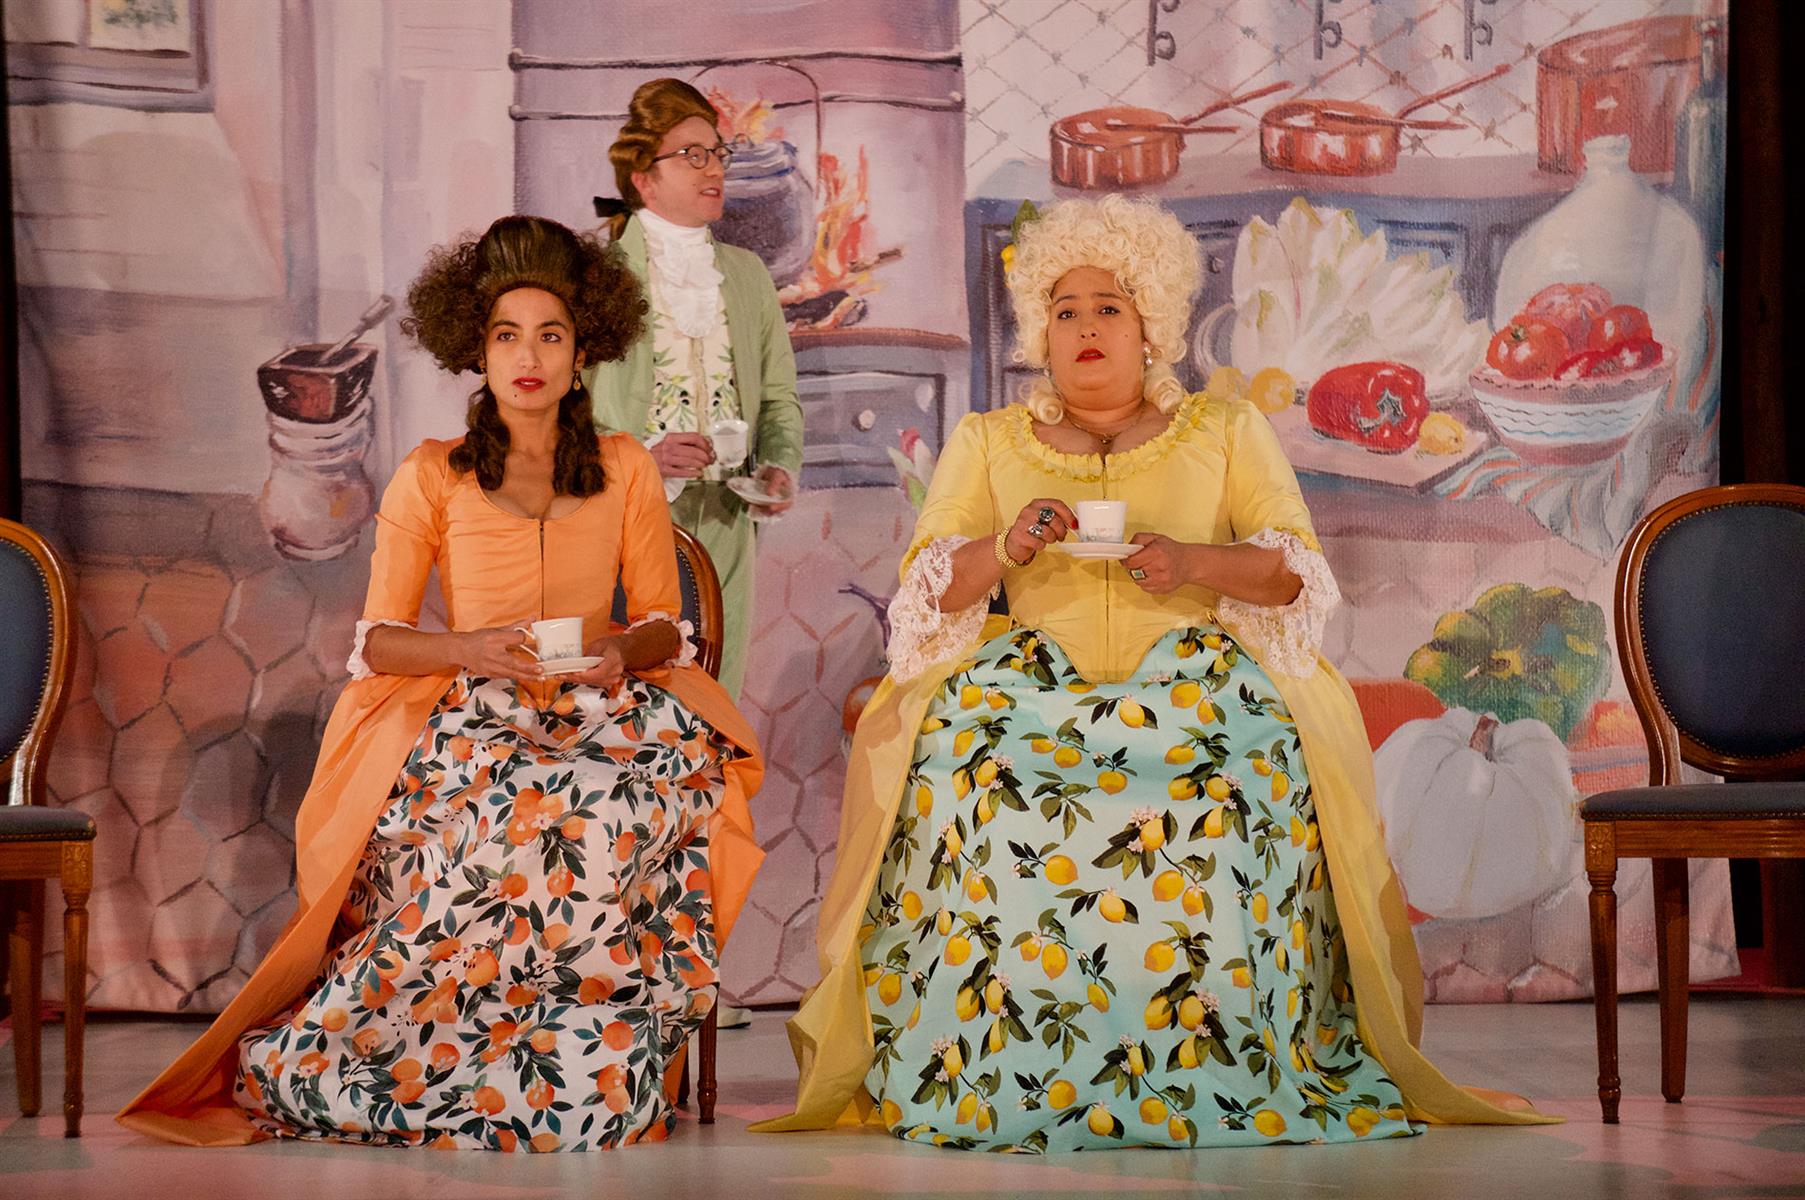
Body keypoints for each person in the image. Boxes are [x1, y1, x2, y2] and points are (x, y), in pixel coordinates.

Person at [753, 196, 1554, 1150]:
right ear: (1038, 333)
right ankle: (1001, 1063)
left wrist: (1192, 563)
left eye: (1109, 308)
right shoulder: (987, 440)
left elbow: (1291, 570)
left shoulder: (1225, 427)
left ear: (1152, 327)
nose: (1085, 328)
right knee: (968, 766)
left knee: (1240, 767)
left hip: (1192, 677)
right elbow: (930, 587)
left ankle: (1216, 1059)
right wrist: (1006, 547)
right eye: (1064, 310)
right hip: (1028, 683)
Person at [118, 215, 764, 1152]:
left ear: (583, 350)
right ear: (478, 350)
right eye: (507, 336)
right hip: (473, 709)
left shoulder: (625, 466)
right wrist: (470, 648)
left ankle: (580, 1066)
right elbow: (380, 641)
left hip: (603, 707)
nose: (528, 357)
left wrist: (624, 649)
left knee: (608, 807)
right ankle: (445, 1068)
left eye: (550, 335)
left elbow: (668, 623)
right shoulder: (430, 474)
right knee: (502, 820)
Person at [588, 77, 805, 699]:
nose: (714, 169)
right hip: (626, 518)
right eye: (692, 155)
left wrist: (779, 466)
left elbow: (779, 399)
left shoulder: (747, 274)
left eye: (717, 153)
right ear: (644, 178)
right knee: (628, 695)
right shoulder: (596, 276)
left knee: (713, 694)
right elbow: (557, 416)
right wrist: (642, 459)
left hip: (728, 522)